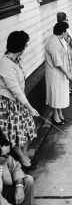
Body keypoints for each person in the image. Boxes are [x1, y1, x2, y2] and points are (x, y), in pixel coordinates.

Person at [0, 31, 39, 171]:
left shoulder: (17, 60)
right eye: (25, 43)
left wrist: (26, 106)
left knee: (27, 129)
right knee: (15, 133)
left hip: (20, 101)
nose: (27, 45)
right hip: (9, 104)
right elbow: (15, 90)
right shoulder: (5, 64)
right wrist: (29, 107)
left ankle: (25, 154)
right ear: (19, 46)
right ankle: (22, 158)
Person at [0, 135, 40, 205]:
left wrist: (19, 186)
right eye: (5, 155)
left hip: (3, 192)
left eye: (9, 154)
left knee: (28, 180)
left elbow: (16, 167)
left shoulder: (5, 158)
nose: (8, 157)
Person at [45, 22, 72, 125]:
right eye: (66, 31)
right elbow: (58, 63)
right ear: (62, 32)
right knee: (56, 95)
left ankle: (60, 113)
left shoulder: (60, 39)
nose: (67, 33)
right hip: (55, 73)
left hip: (60, 73)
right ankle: (55, 115)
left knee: (61, 94)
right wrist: (68, 74)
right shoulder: (52, 43)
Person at [57, 12, 72, 94]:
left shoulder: (66, 28)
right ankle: (66, 89)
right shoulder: (60, 29)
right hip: (64, 52)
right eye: (66, 19)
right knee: (67, 69)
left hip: (68, 50)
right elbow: (67, 40)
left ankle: (68, 87)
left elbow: (71, 41)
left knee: (69, 70)